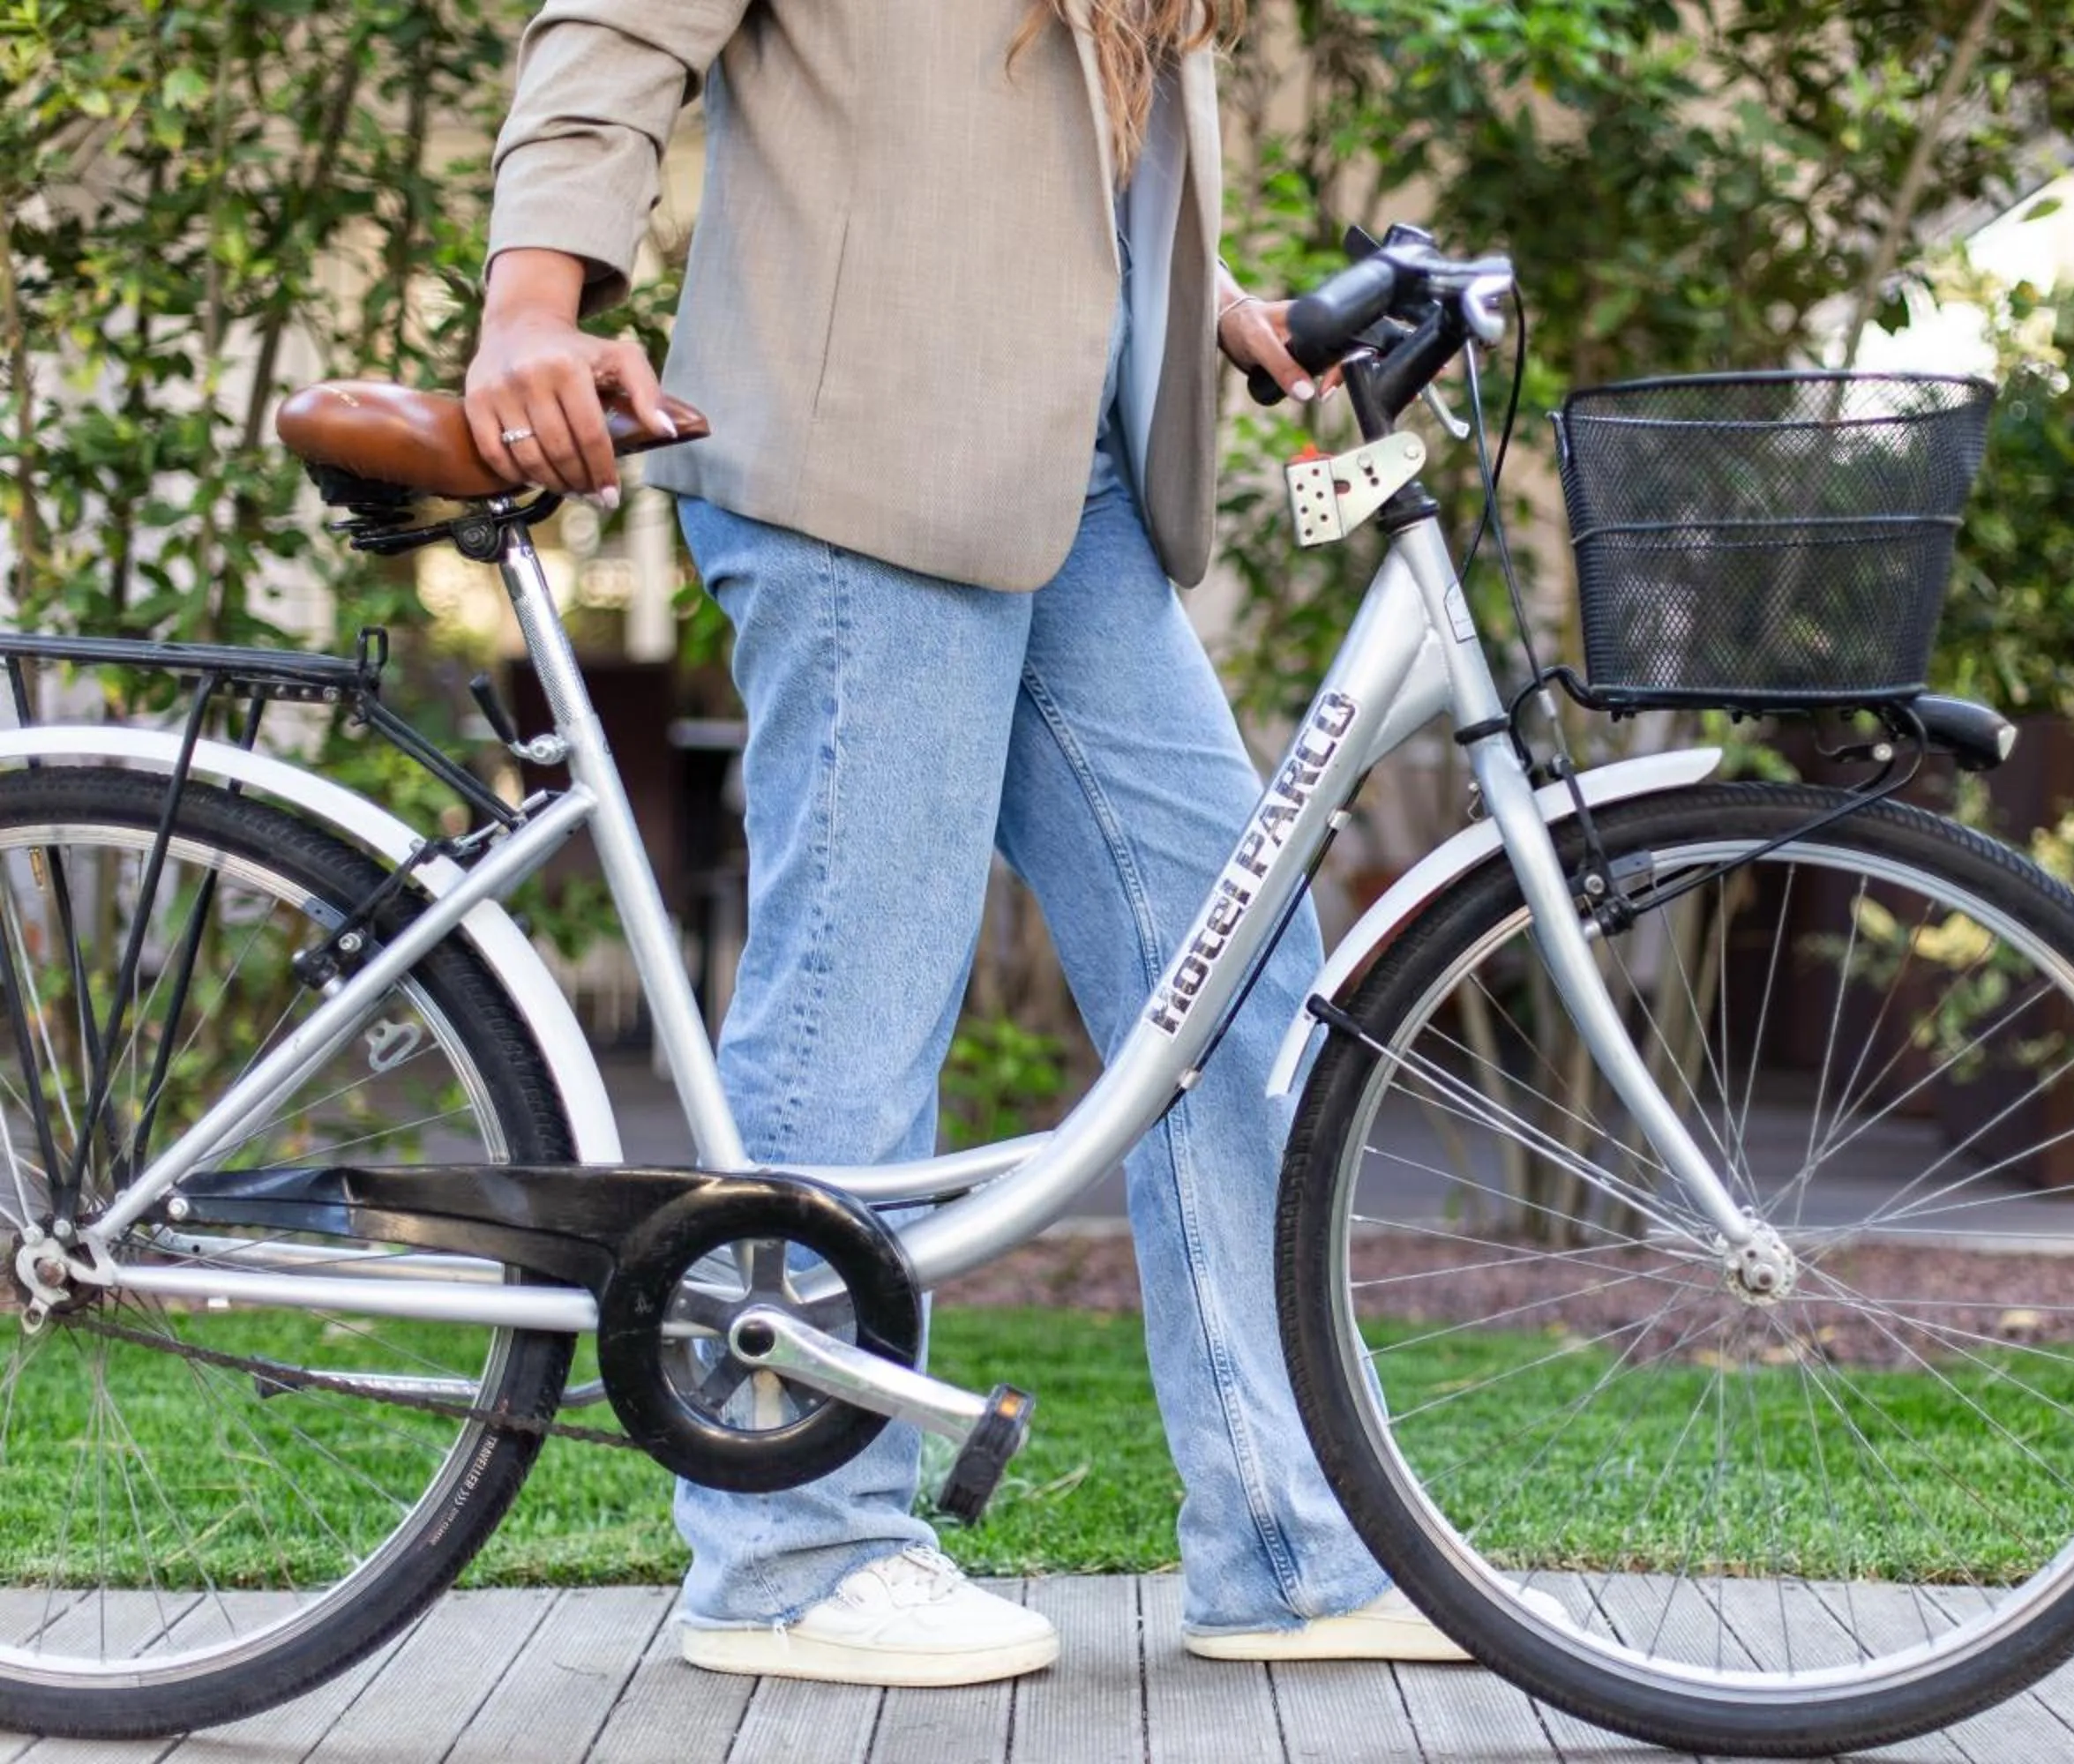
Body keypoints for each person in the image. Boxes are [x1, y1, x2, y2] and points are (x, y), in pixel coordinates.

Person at [463, 0, 1463, 1690]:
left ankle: (1287, 1545)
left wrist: (1202, 311)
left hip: (1064, 487)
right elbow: (616, 28)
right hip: (865, 467)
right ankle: (794, 1551)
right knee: (860, 1001)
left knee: (1229, 981)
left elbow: (1019, 159)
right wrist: (532, 306)